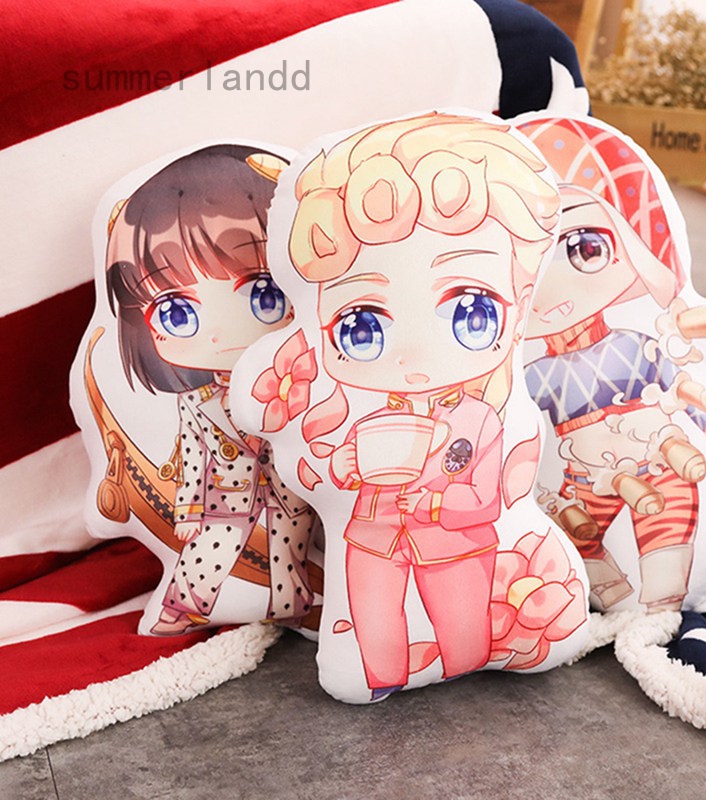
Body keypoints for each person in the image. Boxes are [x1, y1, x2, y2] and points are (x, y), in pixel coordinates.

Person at [282, 112, 560, 697]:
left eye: (471, 311)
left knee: (464, 629)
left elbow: (485, 495)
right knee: (373, 627)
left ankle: (465, 658)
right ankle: (379, 675)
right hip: (370, 537)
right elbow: (334, 471)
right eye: (360, 324)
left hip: (455, 542)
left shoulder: (482, 418)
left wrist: (430, 501)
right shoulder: (364, 412)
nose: (413, 353)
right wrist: (342, 467)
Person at [520, 117, 706, 612]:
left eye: (585, 248)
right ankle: (605, 585)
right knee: (576, 528)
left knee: (670, 505)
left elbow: (678, 382)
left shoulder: (636, 342)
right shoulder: (533, 372)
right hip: (582, 471)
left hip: (654, 446)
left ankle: (660, 602)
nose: (553, 285)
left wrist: (693, 409)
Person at [105, 144, 314, 635]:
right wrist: (188, 510)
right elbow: (194, 456)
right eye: (177, 312)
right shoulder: (197, 403)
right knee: (208, 554)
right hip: (226, 498)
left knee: (290, 550)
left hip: (292, 492)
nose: (220, 334)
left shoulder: (301, 379)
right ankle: (180, 608)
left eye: (264, 293)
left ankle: (295, 607)